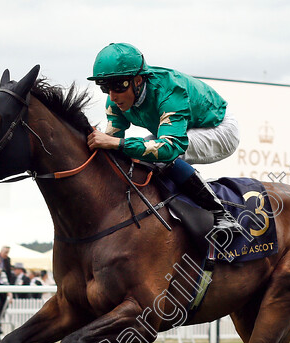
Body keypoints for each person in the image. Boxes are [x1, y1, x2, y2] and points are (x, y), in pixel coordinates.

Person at [86, 43, 241, 232]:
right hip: (180, 129)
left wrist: (117, 143)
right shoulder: (114, 99)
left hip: (219, 129)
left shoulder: (170, 91)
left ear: (138, 80)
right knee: (138, 151)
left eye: (119, 86)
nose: (113, 95)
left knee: (162, 155)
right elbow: (111, 141)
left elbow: (169, 147)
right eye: (105, 87)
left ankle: (220, 213)